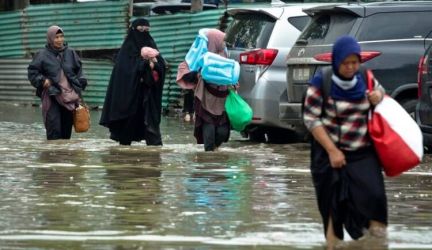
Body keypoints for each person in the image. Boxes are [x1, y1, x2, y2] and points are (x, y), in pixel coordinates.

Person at [302, 36, 388, 248]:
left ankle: (377, 244)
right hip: (328, 154)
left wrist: (378, 95)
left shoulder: (364, 76)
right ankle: (333, 245)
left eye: (354, 62)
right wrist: (332, 151)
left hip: (362, 152)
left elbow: (381, 92)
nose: (350, 67)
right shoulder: (322, 81)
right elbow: (311, 119)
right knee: (333, 207)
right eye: (345, 62)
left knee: (375, 199)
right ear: (337, 61)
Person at [99, 18, 166, 146]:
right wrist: (144, 64)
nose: (144, 33)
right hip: (130, 99)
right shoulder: (125, 52)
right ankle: (125, 161)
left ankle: (154, 160)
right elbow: (125, 72)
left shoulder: (152, 46)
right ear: (133, 30)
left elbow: (162, 67)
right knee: (125, 137)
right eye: (140, 30)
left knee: (153, 135)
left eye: (147, 30)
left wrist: (155, 65)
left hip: (148, 97)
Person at [28, 25, 87, 140]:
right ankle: (52, 156)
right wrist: (43, 81)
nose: (60, 40)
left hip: (69, 97)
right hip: (52, 95)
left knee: (66, 133)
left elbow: (79, 70)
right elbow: (32, 72)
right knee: (53, 129)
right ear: (50, 38)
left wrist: (81, 82)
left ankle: (64, 156)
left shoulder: (70, 53)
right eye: (56, 37)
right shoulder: (42, 54)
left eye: (61, 36)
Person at [177, 29, 231, 151]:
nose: (224, 43)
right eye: (222, 40)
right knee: (209, 133)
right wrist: (198, 75)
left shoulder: (226, 54)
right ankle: (208, 163)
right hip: (205, 99)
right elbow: (184, 69)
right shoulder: (200, 55)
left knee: (222, 132)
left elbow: (232, 72)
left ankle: (214, 155)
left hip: (223, 99)